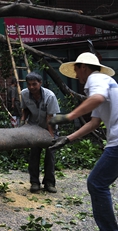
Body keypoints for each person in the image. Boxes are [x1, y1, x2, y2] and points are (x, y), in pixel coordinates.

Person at [49, 52, 118, 231]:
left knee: (96, 183)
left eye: (76, 69)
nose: (76, 73)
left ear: (84, 67)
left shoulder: (95, 79)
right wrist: (68, 139)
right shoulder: (104, 82)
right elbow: (94, 123)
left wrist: (70, 116)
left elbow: (98, 98)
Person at [20, 72, 60, 194]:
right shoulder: (24, 94)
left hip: (50, 126)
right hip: (34, 128)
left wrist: (51, 136)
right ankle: (34, 182)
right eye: (29, 85)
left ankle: (49, 182)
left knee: (49, 155)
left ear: (40, 83)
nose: (31, 87)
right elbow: (25, 110)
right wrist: (21, 124)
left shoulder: (50, 96)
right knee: (34, 155)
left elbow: (50, 118)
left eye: (34, 84)